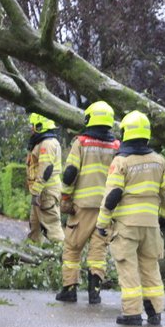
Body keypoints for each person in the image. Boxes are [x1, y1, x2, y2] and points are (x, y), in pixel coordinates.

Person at [97, 111, 165, 326]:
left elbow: (112, 195)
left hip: (126, 226)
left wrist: (102, 223)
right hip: (150, 225)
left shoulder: (121, 161)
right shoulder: (159, 161)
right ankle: (155, 311)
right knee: (150, 268)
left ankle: (132, 313)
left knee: (128, 267)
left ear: (125, 133)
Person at [58, 101, 119, 304]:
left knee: (72, 247)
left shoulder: (81, 143)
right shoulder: (117, 147)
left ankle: (69, 288)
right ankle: (95, 292)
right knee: (98, 251)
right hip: (107, 209)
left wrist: (65, 199)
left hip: (82, 207)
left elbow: (70, 173)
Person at [24, 113, 65, 245]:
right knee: (34, 227)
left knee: (52, 227)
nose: (31, 128)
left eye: (33, 125)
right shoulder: (44, 142)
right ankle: (31, 254)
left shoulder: (47, 144)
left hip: (45, 191)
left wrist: (36, 191)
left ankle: (62, 255)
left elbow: (45, 169)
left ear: (39, 126)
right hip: (42, 191)